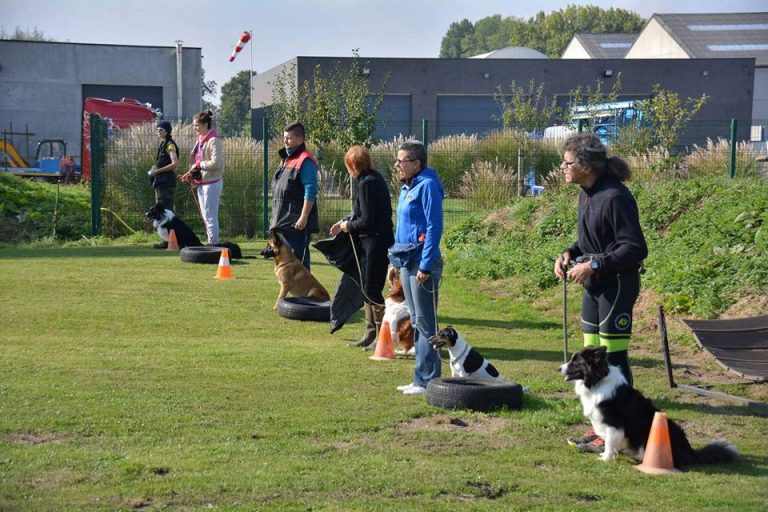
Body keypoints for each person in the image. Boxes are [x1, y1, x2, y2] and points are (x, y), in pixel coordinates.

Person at [553, 133, 648, 449]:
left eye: (567, 163)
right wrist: (569, 252)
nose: (562, 167)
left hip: (617, 284)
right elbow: (591, 241)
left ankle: (625, 431)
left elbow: (634, 248)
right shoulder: (586, 193)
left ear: (585, 165)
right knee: (591, 361)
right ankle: (600, 429)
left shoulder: (616, 196)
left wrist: (593, 266)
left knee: (614, 361)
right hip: (593, 286)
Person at [391, 141, 444, 395]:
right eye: (397, 160)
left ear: (416, 163)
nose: (397, 165)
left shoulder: (428, 186)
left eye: (401, 161)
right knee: (415, 320)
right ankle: (419, 378)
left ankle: (428, 380)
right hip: (405, 260)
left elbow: (434, 227)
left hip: (422, 262)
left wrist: (425, 264)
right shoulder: (406, 187)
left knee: (425, 322)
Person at [330, 145, 394, 349]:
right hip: (372, 240)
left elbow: (366, 220)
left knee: (372, 289)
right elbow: (362, 213)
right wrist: (345, 221)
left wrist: (348, 226)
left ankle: (382, 336)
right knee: (367, 288)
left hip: (375, 241)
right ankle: (370, 334)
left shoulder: (367, 184)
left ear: (353, 166)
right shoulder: (372, 179)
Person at [270, 122, 319, 269]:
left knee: (299, 264)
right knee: (288, 266)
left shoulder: (305, 160)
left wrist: (304, 217)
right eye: (284, 137)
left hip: (296, 222)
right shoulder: (286, 158)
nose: (285, 141)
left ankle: (306, 293)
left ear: (300, 139)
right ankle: (297, 292)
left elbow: (310, 189)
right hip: (284, 221)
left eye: (289, 138)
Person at [181, 110, 224, 245]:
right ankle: (211, 242)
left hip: (212, 183)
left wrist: (200, 164)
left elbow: (216, 163)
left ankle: (214, 244)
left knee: (210, 216)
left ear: (206, 125)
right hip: (202, 183)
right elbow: (196, 163)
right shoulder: (200, 141)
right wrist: (190, 173)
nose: (195, 128)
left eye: (197, 125)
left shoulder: (213, 141)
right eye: (194, 125)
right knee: (206, 216)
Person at [148, 120, 179, 249]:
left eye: (160, 129)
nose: (158, 132)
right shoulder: (163, 144)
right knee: (163, 210)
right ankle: (166, 239)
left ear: (167, 131)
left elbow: (174, 163)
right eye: (157, 130)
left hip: (166, 182)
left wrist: (157, 171)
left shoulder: (170, 145)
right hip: (161, 182)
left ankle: (170, 241)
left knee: (166, 211)